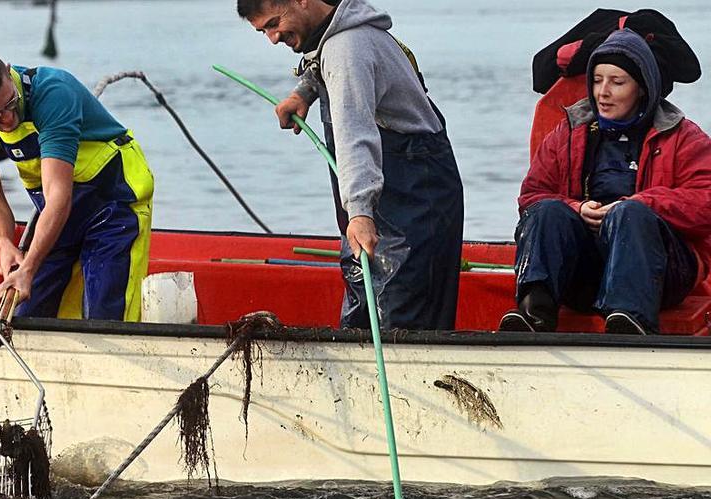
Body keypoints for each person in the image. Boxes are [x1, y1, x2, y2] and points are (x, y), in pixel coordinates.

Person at [237, 0, 465, 330]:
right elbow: (325, 63)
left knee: (401, 319)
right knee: (362, 312)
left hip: (415, 202)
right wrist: (306, 91)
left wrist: (359, 211)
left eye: (274, 23)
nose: (273, 38)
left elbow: (355, 134)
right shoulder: (338, 33)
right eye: (264, 32)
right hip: (385, 199)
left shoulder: (347, 49)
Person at [500, 28, 711, 335]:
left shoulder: (683, 136)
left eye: (617, 82)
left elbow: (706, 200)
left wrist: (641, 203)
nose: (603, 92)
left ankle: (630, 320)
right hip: (584, 271)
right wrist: (576, 207)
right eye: (597, 81)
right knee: (547, 211)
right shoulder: (567, 132)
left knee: (631, 214)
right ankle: (534, 314)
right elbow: (531, 195)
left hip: (661, 275)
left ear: (641, 87)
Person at [0, 49, 154, 321]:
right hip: (55, 209)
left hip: (114, 197)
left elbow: (58, 195)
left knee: (106, 312)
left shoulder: (54, 93)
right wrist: (4, 245)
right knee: (28, 313)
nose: (7, 120)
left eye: (10, 104)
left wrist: (29, 267)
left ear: (9, 72)